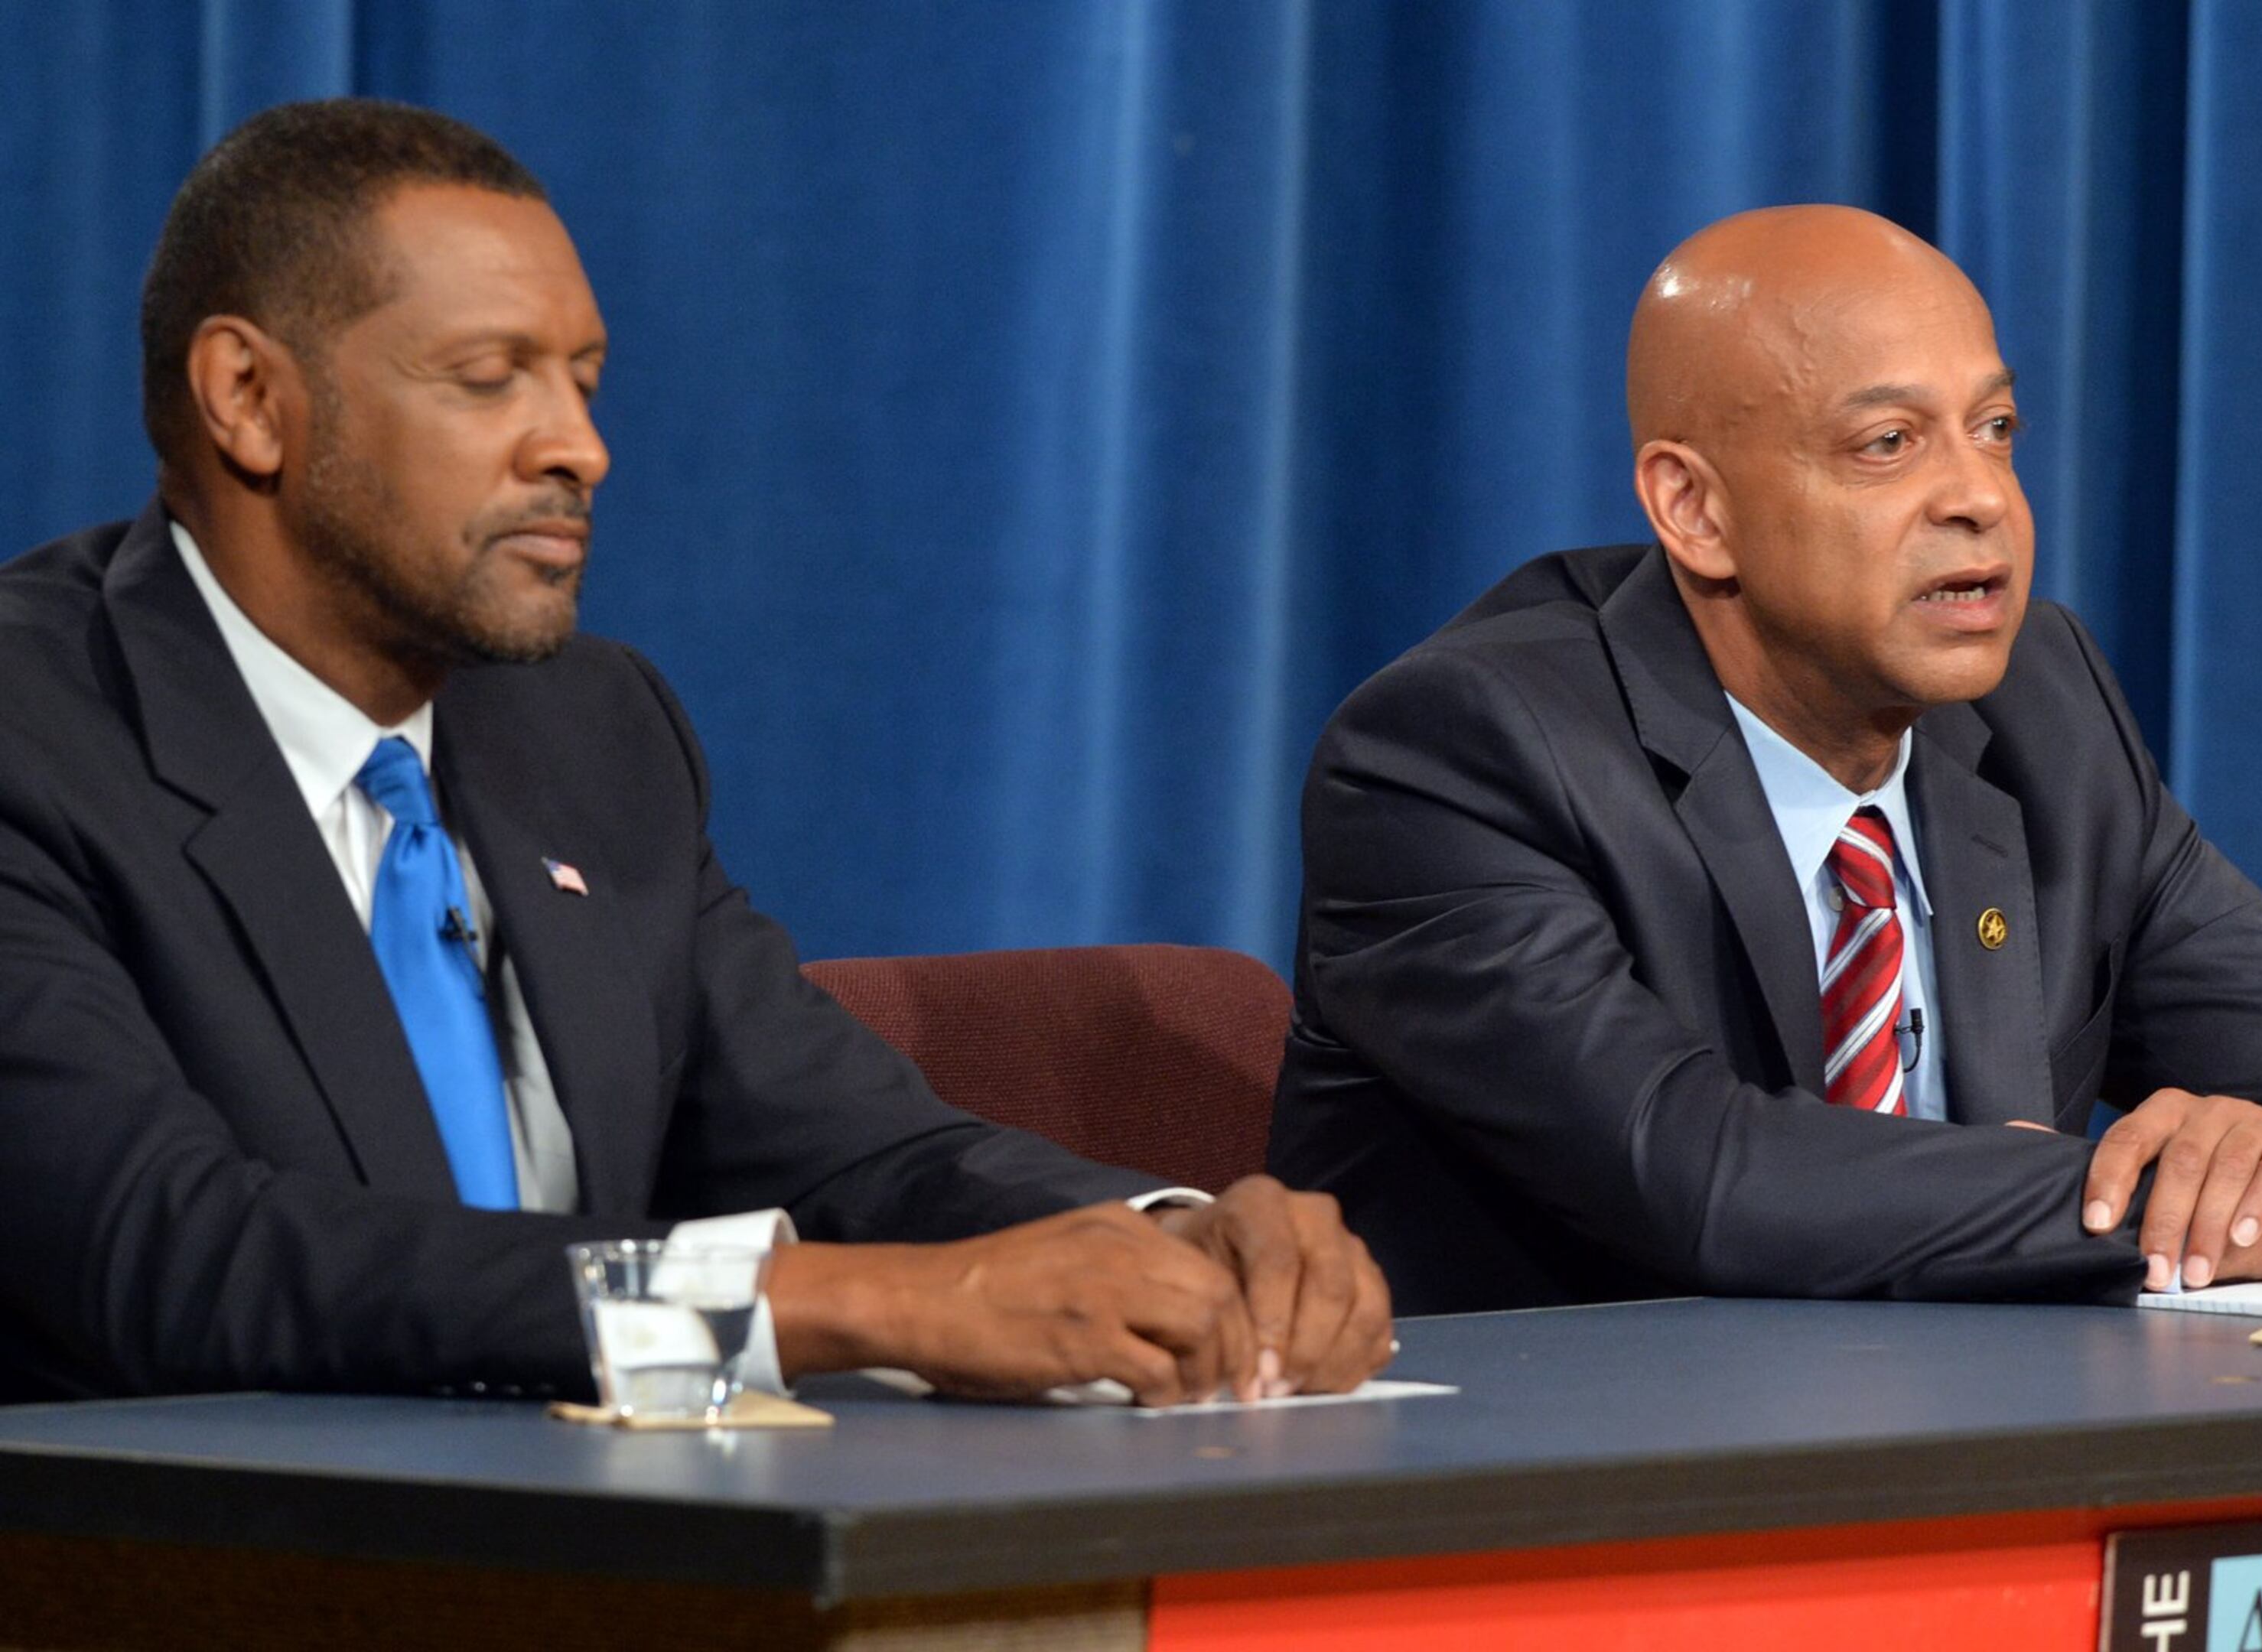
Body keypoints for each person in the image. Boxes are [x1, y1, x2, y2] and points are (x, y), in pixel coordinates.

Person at [0, 99, 1391, 1407]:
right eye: (490, 381)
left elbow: (847, 1143)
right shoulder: (38, 734)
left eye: (586, 381)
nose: (582, 448)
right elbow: (180, 1262)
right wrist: (839, 1310)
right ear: (249, 397)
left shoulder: (589, 729)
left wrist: (1175, 1241)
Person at [1270, 203, 2262, 1315]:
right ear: (1693, 511)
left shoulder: (2041, 710)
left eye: (1995, 430)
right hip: (1553, 1523)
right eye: (1889, 445)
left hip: (1975, 1475)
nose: (1981, 500)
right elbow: (1705, 1180)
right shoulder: (1463, 754)